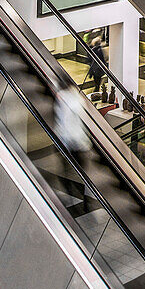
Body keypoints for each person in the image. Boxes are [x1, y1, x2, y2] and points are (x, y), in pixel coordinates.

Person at [53, 71, 91, 200]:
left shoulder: (64, 97)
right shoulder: (75, 96)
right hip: (76, 138)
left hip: (68, 138)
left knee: (69, 166)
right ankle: (84, 192)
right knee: (80, 167)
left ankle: (72, 189)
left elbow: (65, 119)